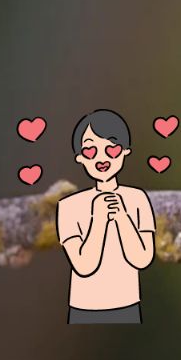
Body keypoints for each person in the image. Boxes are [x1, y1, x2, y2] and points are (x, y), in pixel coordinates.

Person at [56, 109, 156, 324]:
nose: (101, 158)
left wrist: (122, 217)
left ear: (125, 152)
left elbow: (142, 258)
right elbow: (84, 266)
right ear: (80, 157)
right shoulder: (69, 207)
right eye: (91, 151)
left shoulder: (137, 199)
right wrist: (98, 221)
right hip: (84, 308)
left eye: (111, 149)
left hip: (128, 304)